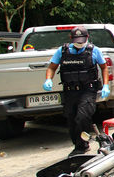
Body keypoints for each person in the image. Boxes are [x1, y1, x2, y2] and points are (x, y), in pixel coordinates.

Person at [42, 26, 109, 155]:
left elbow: (104, 67)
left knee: (82, 117)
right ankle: (79, 145)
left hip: (88, 90)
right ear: (71, 39)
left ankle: (81, 145)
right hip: (69, 91)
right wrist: (48, 79)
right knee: (71, 119)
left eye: (82, 40)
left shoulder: (94, 51)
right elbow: (52, 67)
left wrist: (105, 85)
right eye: (77, 40)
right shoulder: (62, 51)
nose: (79, 43)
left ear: (87, 38)